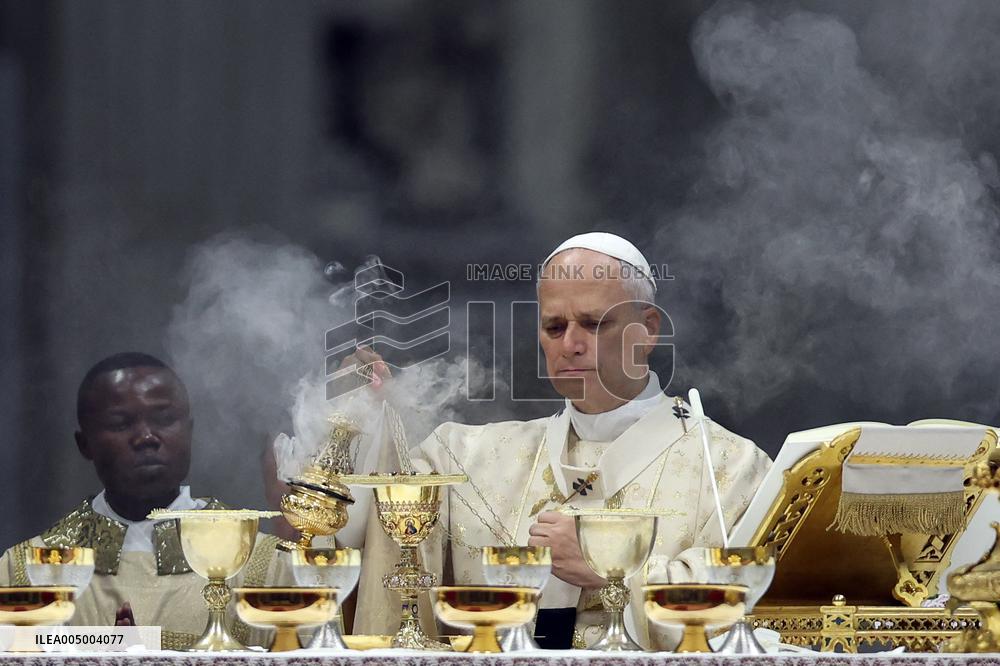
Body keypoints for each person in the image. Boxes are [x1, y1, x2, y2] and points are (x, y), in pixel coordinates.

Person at [352, 232, 772, 649]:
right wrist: (366, 420)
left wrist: (608, 566)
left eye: (593, 324)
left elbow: (746, 621)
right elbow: (375, 520)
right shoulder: (464, 461)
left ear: (647, 329)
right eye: (554, 327)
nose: (569, 345)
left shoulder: (733, 469)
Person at [0, 352, 286, 649]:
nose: (147, 437)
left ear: (189, 432)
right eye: (121, 424)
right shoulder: (29, 572)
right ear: (85, 444)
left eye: (163, 419)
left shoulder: (258, 564)